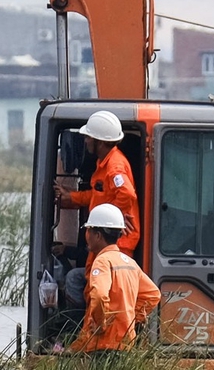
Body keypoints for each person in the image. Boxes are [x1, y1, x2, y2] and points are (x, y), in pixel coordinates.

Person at [68, 204, 160, 354]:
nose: (87, 236)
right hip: (125, 343)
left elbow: (98, 295)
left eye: (88, 230)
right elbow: (153, 294)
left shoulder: (102, 261)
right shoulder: (130, 263)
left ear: (97, 235)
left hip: (103, 345)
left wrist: (100, 324)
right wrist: (129, 319)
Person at [55, 110, 141, 256]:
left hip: (117, 244)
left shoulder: (114, 166)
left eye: (89, 137)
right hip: (107, 243)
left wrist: (113, 219)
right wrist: (71, 196)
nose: (86, 141)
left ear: (100, 141)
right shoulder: (104, 163)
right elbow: (99, 195)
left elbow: (126, 193)